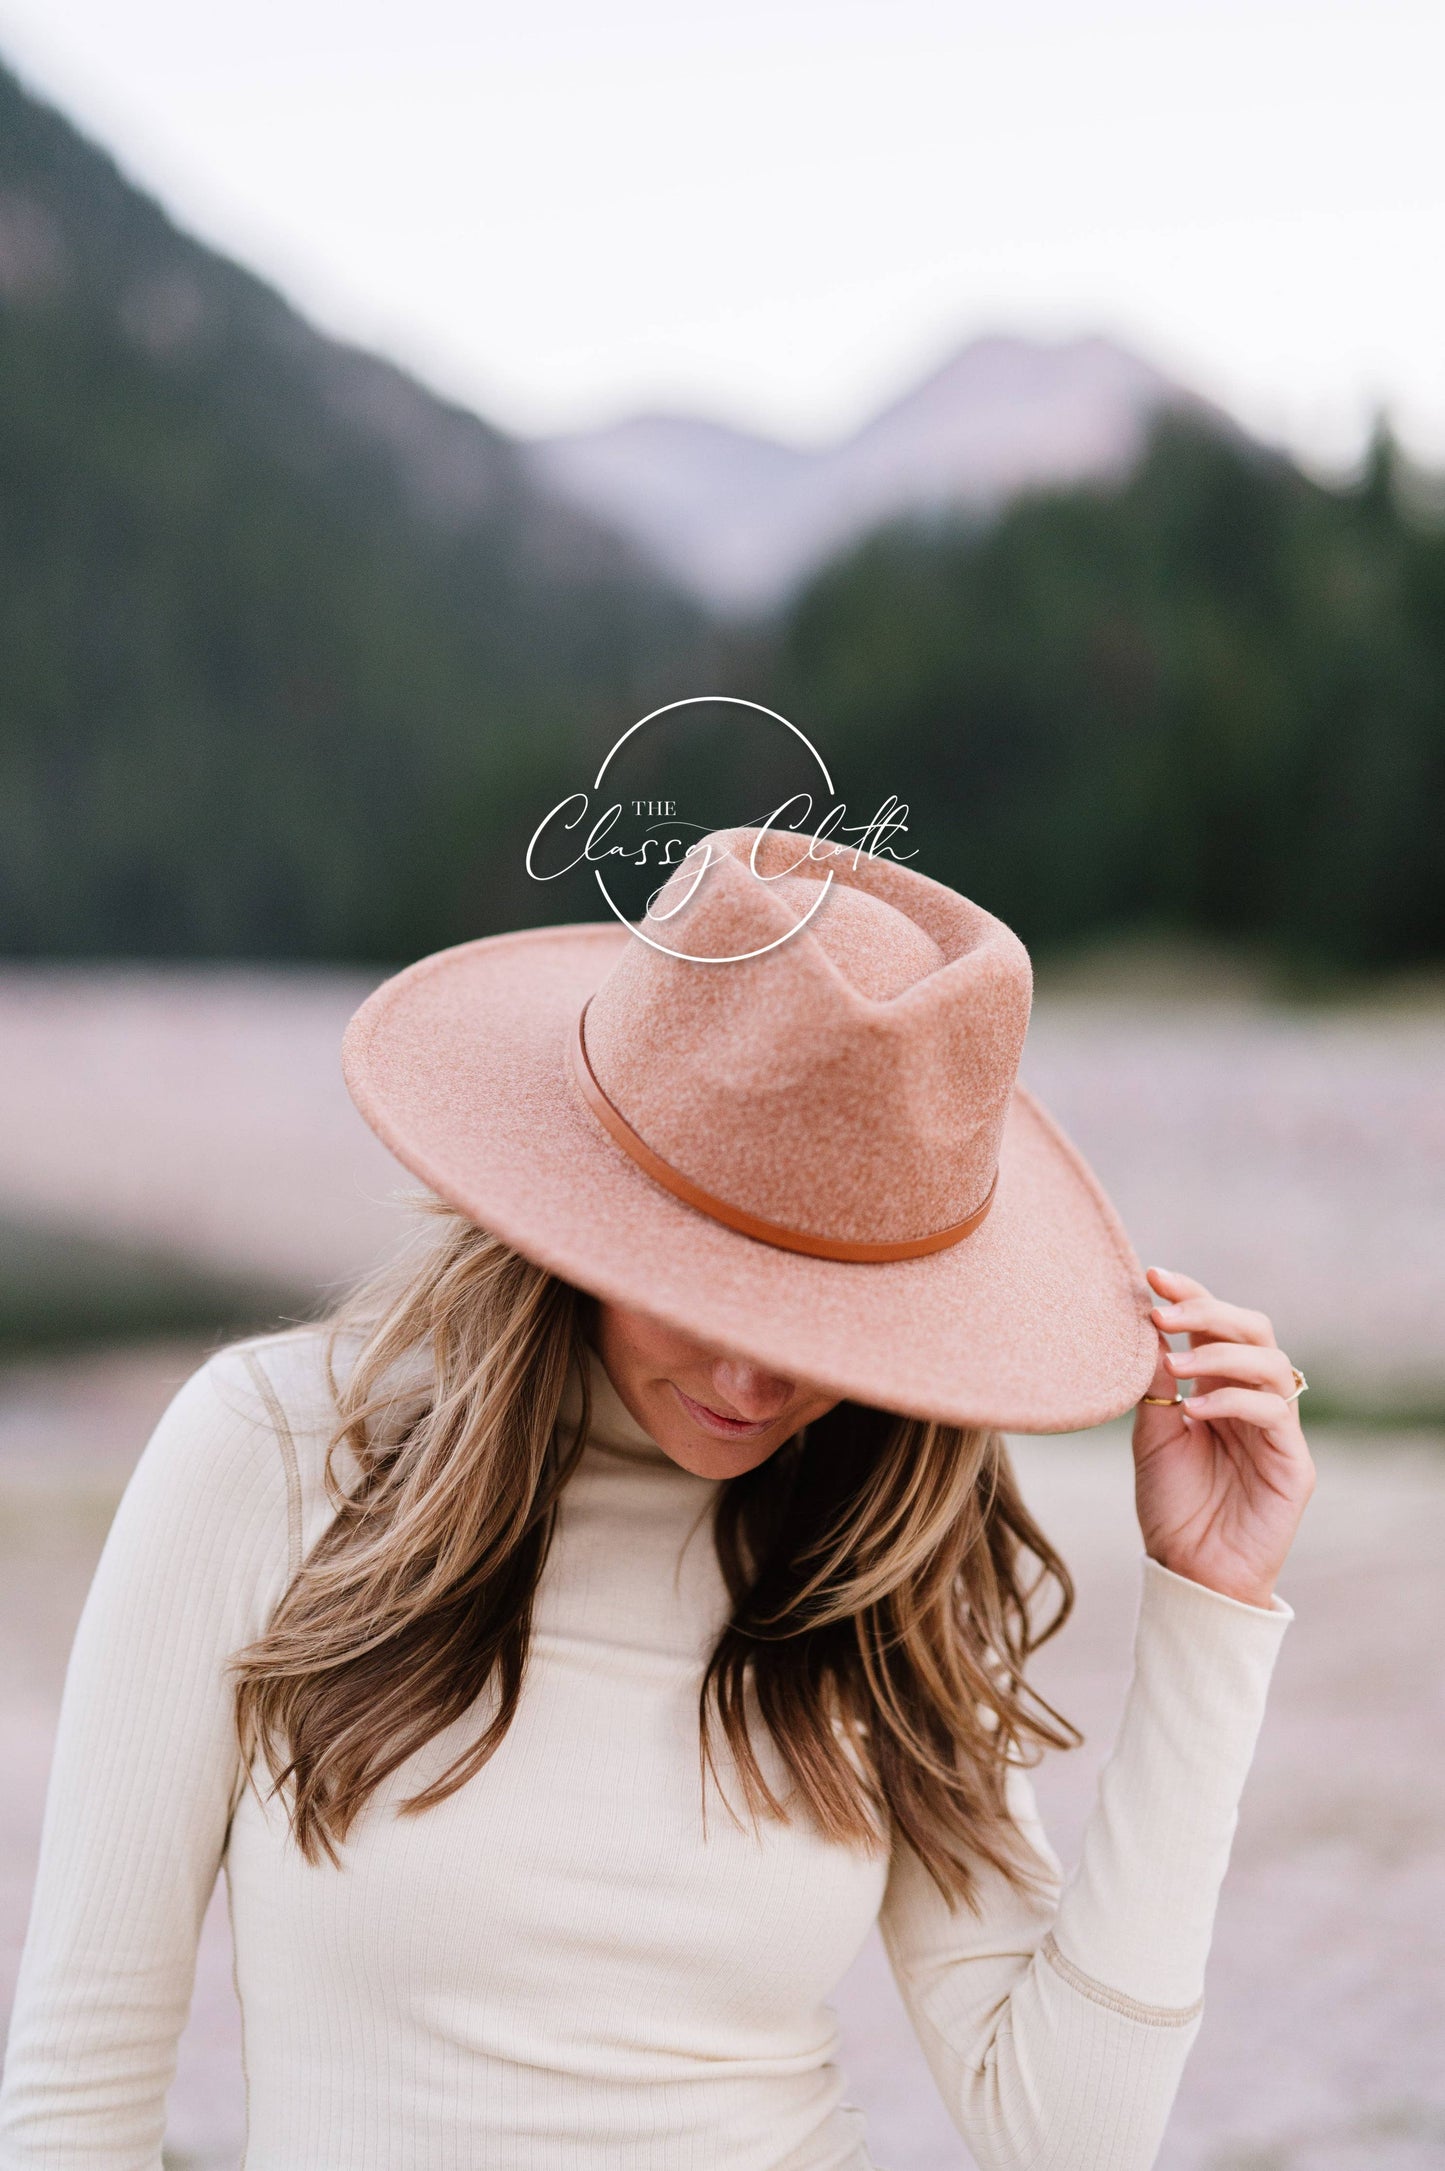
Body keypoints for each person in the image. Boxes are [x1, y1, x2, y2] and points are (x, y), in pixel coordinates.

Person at [0, 829, 1313, 2170]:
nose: (750, 1376)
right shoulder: (276, 1451)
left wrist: (1211, 1607)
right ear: (580, 1203)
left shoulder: (877, 1547)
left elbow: (1068, 2138)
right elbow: (79, 2085)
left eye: (822, 1316)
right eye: (700, 1284)